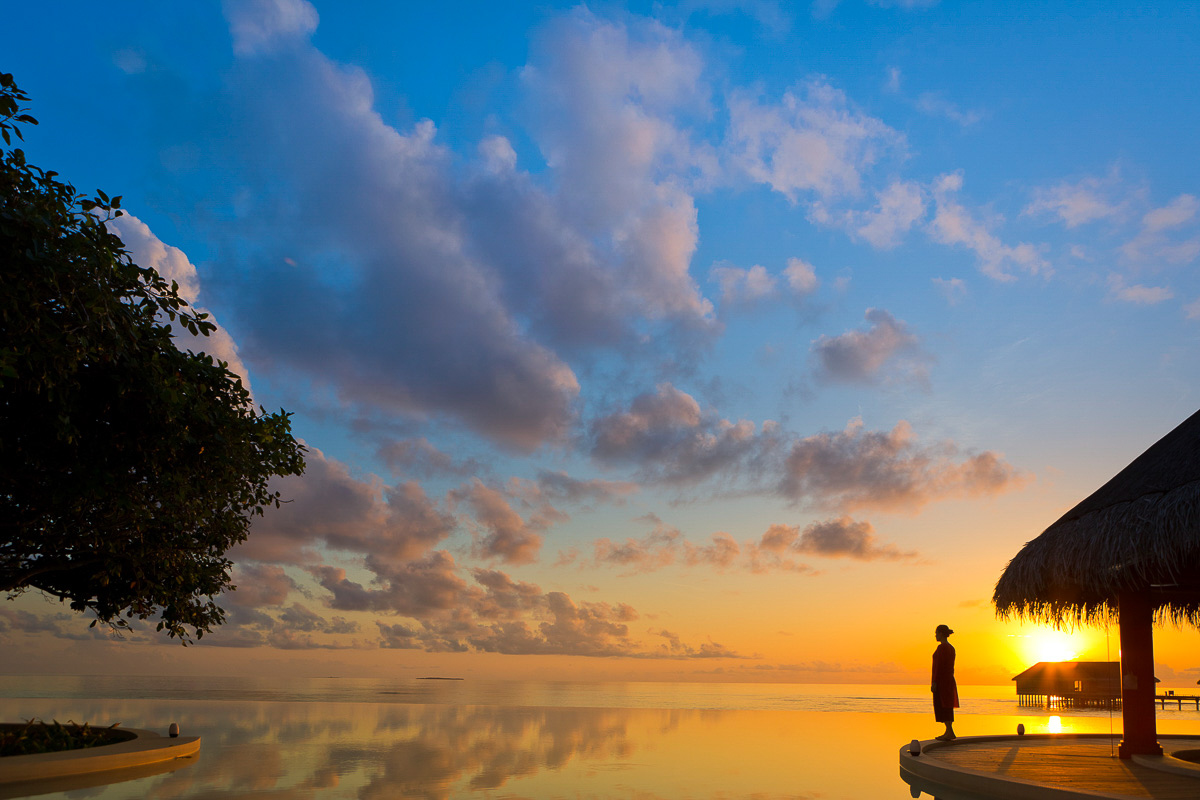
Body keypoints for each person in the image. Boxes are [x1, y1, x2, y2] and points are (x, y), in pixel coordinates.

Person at [931, 624, 958, 740]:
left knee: (943, 705)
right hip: (949, 680)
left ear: (941, 634)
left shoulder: (942, 648)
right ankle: (948, 731)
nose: (935, 635)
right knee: (947, 705)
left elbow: (939, 667)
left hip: (942, 681)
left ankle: (950, 731)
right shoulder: (951, 648)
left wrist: (935, 682)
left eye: (936, 633)